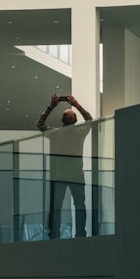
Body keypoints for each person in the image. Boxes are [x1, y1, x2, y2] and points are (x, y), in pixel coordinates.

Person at [36, 93, 94, 239]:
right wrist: (76, 104)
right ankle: (81, 234)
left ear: (62, 121)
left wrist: (51, 107)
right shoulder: (80, 132)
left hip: (58, 175)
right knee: (80, 206)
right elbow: (89, 120)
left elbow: (40, 124)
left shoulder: (55, 134)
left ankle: (54, 234)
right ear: (75, 120)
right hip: (76, 175)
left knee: (56, 208)